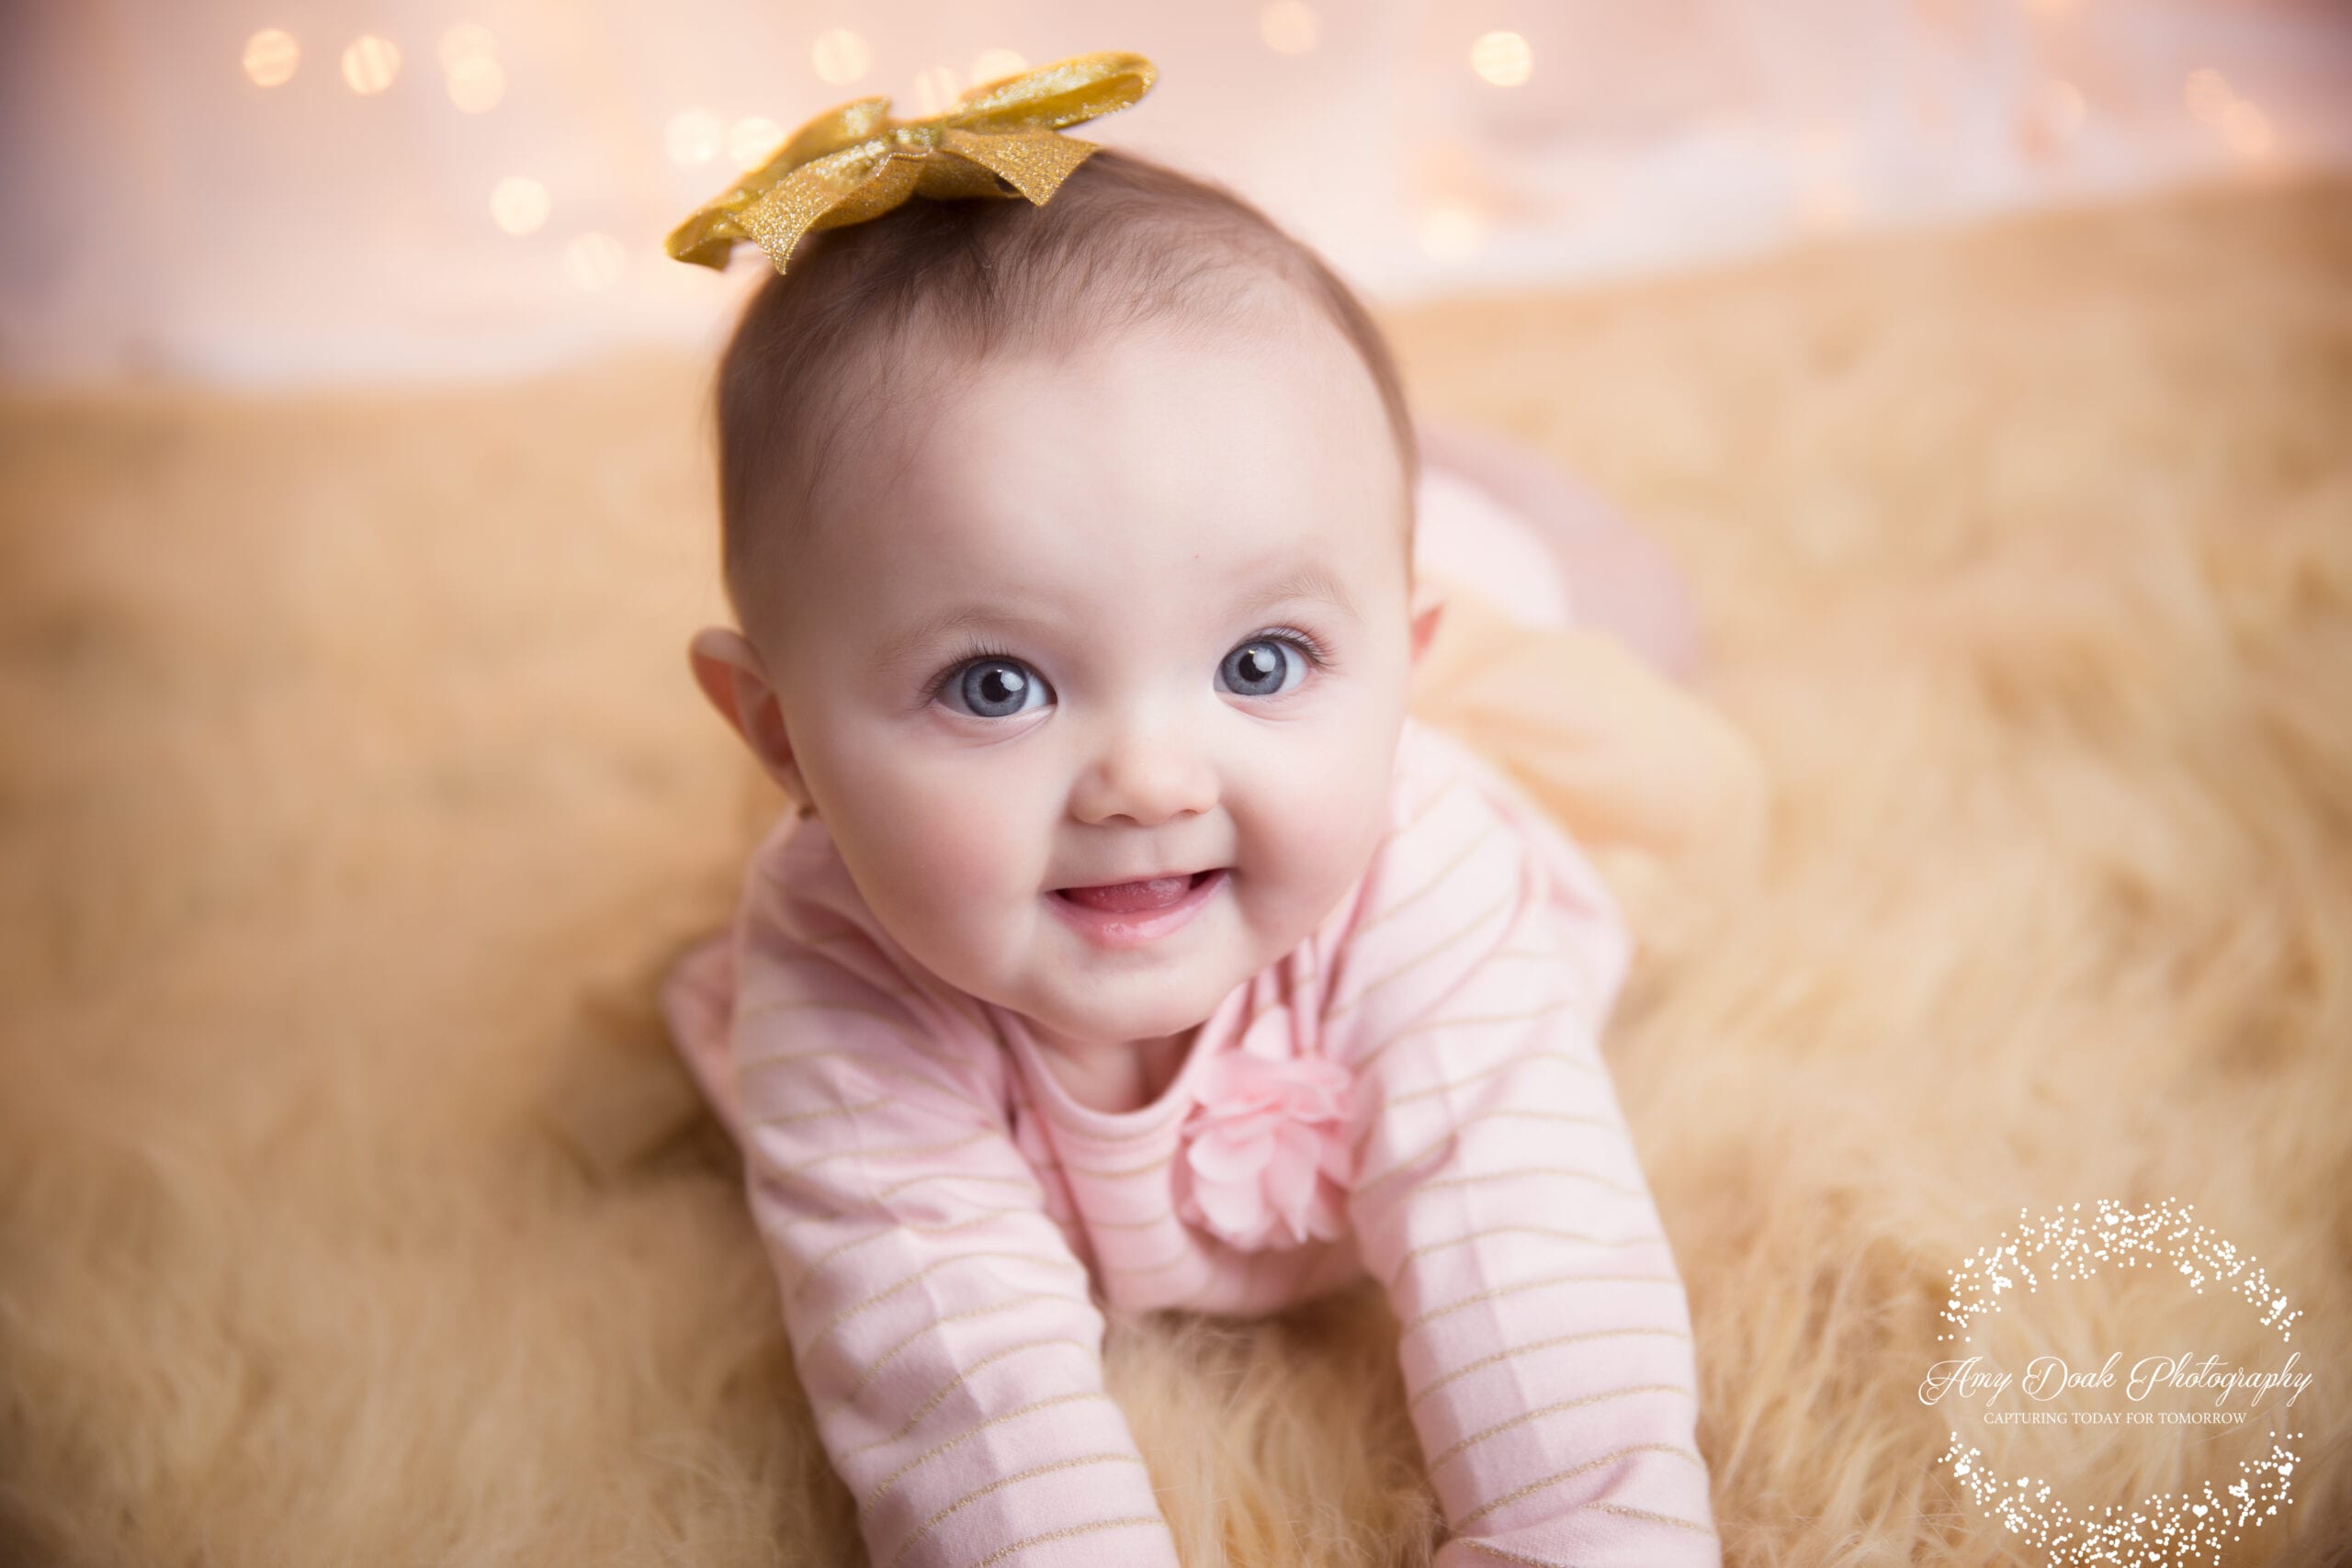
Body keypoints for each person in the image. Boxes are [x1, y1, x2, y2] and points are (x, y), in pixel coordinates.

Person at [657, 51, 1752, 1567]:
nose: (1151, 783)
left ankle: (1452, 532)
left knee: (1610, 609)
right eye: (995, 687)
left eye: (1258, 661)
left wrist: (1588, 1539)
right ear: (776, 735)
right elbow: (953, 1381)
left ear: (1396, 675)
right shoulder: (836, 977)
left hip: (1461, 688)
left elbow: (1535, 1254)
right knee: (1248, 550)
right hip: (1296, 651)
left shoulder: (1423, 869)